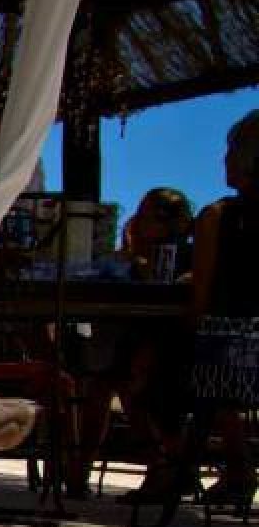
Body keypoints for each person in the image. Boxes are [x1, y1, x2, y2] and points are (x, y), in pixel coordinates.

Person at [67, 188, 193, 498]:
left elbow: (170, 298)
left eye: (146, 214)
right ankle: (82, 470)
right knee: (105, 378)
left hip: (174, 344)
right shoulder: (131, 260)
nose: (136, 220)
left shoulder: (181, 256)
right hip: (138, 338)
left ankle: (162, 466)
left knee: (123, 379)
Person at [182, 111, 259, 510]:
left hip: (230, 354)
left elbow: (201, 293)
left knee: (151, 363)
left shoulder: (219, 217)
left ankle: (179, 463)